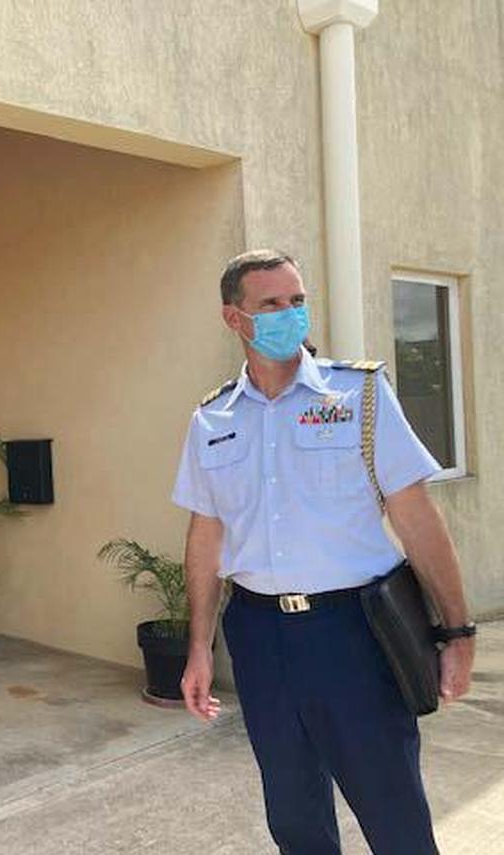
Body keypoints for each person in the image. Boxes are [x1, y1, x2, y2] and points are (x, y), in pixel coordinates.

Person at [174, 249, 476, 854]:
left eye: (297, 300)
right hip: (260, 635)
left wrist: (456, 632)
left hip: (354, 631)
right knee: (292, 812)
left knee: (393, 812)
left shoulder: (359, 395)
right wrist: (199, 647)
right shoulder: (212, 418)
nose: (291, 315)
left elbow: (416, 520)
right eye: (271, 304)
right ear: (235, 318)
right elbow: (205, 538)